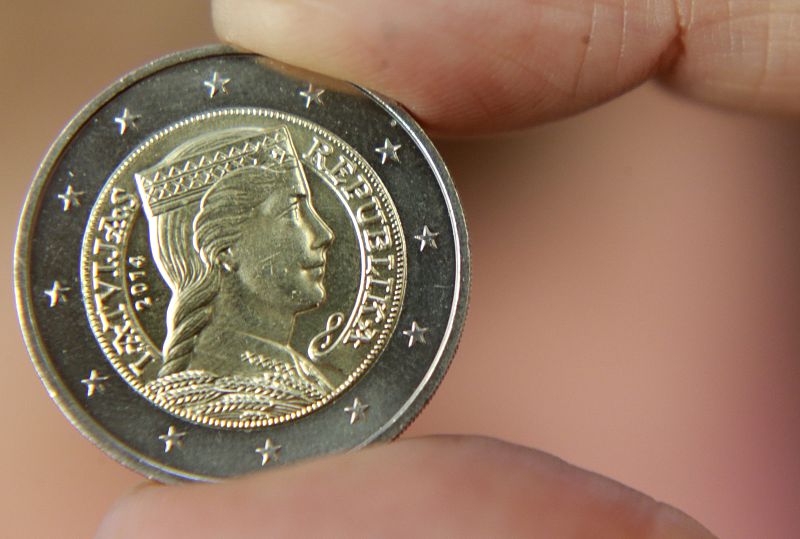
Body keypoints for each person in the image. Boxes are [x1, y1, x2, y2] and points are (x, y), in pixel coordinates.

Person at [97, 0, 800, 537]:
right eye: (478, 163)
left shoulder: (301, 380)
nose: (323, 233)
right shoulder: (211, 392)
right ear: (220, 249)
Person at [135, 126, 335, 422]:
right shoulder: (232, 398)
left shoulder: (294, 377)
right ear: (224, 249)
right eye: (292, 212)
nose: (324, 234)